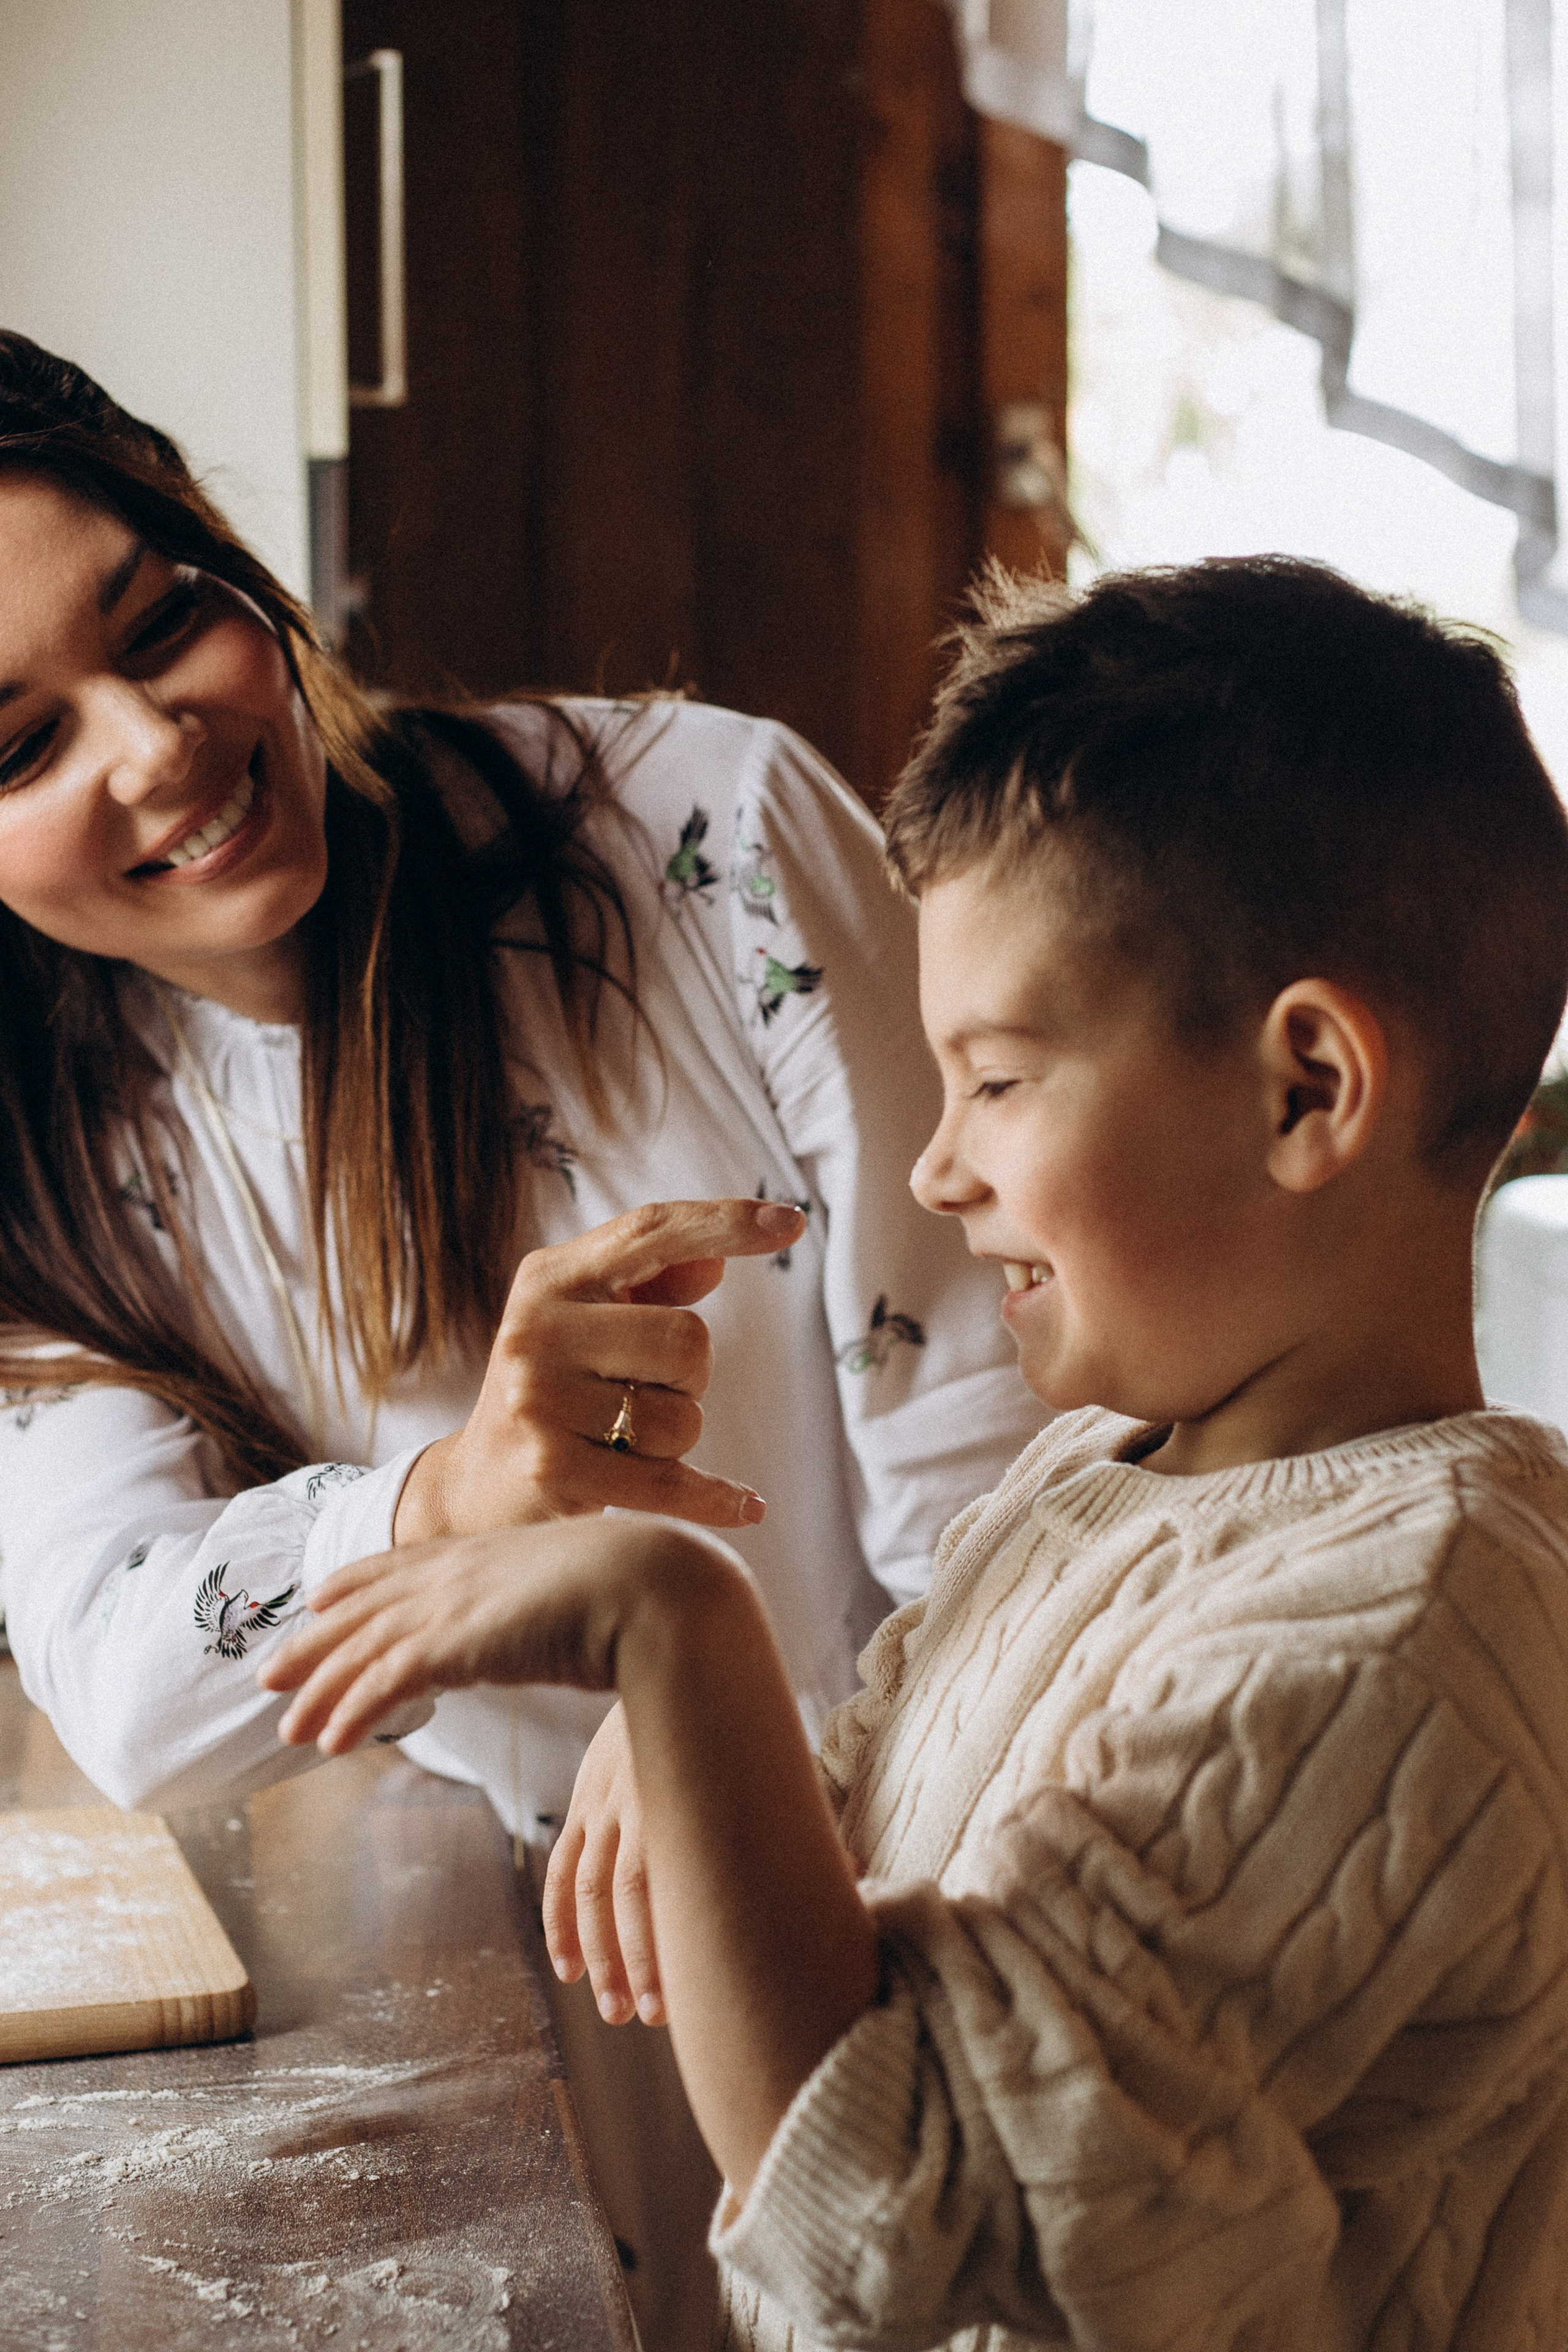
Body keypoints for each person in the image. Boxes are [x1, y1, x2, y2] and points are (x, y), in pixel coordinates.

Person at [268, 556, 1568, 2352]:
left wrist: (676, 1624)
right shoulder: (1100, 1475)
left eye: (1001, 1078)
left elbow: (892, 2219)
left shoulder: (1400, 1633)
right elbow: (898, 1886)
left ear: (1307, 1093)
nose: (940, 1167)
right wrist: (736, 1761)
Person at [0, 333, 1044, 2349]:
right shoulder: (52, 1174)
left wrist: (741, 1716)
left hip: (952, 1875)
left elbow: (1018, 1461)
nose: (154, 746)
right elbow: (129, 1676)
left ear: (231, 561)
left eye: (164, 627)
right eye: (18, 747)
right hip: (553, 1971)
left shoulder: (701, 837)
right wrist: (447, 1498)